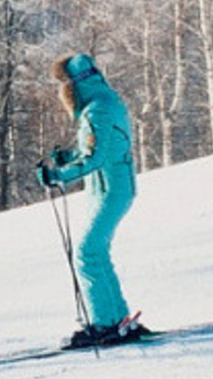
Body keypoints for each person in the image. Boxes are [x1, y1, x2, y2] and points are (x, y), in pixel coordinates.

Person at [35, 54, 147, 349]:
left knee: (86, 253)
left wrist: (58, 175)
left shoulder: (97, 111)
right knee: (96, 253)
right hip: (109, 188)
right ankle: (117, 320)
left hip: (111, 191)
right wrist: (70, 158)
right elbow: (101, 150)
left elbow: (96, 158)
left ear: (74, 85)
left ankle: (104, 324)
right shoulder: (105, 104)